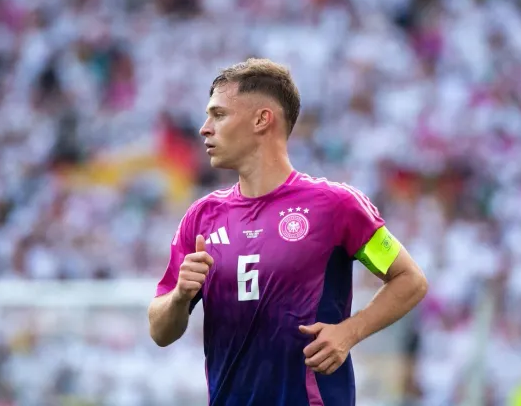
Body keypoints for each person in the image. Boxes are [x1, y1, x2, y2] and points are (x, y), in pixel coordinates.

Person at [147, 58, 429, 406]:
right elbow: (160, 331)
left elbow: (410, 279)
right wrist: (179, 296)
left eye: (219, 114)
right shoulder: (201, 217)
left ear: (262, 119)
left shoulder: (335, 206)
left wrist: (349, 333)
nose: (205, 128)